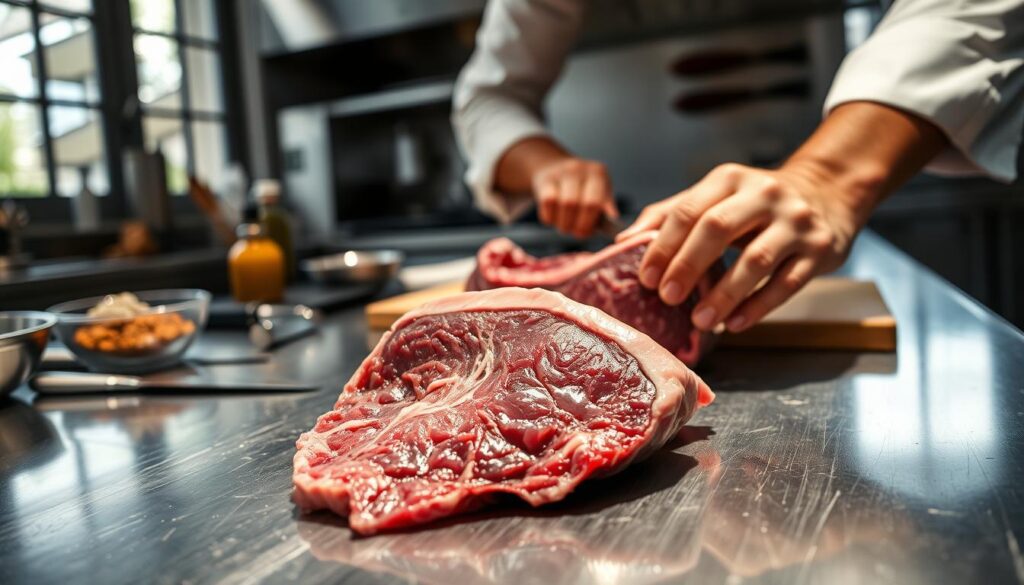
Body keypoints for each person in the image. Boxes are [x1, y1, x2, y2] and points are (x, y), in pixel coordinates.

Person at [452, 0, 1024, 333]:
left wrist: (826, 177)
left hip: (886, 162)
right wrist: (545, 164)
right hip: (648, 213)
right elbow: (488, 96)